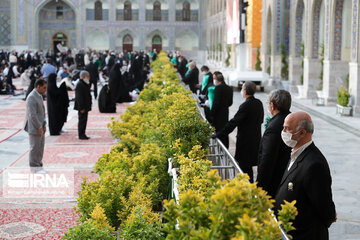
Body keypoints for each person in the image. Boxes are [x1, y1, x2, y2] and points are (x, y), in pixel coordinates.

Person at [274, 112, 336, 240]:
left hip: (304, 234)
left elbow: (324, 206)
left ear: (302, 133)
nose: (283, 131)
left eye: (287, 128)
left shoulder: (314, 164)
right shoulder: (295, 153)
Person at [214, 81, 264, 183]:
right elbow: (261, 120)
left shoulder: (245, 105)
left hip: (246, 141)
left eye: (242, 89)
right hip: (256, 138)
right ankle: (250, 187)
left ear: (245, 91)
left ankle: (247, 189)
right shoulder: (258, 103)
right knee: (249, 165)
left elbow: (234, 122)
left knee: (244, 167)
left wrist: (220, 134)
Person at [256, 89, 292, 198]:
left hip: (274, 181)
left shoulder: (274, 126)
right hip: (288, 176)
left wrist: (259, 187)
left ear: (272, 105)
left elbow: (267, 159)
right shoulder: (291, 119)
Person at [24, 79, 47, 173]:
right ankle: (34, 168)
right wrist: (38, 126)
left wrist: (44, 123)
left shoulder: (39, 96)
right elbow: (32, 115)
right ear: (38, 86)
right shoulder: (31, 97)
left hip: (40, 125)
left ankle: (39, 165)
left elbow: (42, 111)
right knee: (34, 147)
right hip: (34, 127)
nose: (45, 89)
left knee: (40, 147)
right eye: (44, 87)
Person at [210, 71, 233, 148]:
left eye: (214, 79)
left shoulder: (218, 88)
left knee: (219, 131)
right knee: (224, 130)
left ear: (217, 80)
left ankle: (221, 149)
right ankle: (226, 147)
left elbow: (216, 102)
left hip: (218, 114)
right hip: (225, 112)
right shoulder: (229, 88)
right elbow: (230, 102)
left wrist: (211, 113)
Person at [74, 71, 92, 140]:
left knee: (84, 120)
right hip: (82, 107)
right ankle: (81, 134)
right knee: (82, 120)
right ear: (84, 77)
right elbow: (79, 97)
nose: (89, 78)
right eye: (88, 76)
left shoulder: (85, 83)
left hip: (85, 106)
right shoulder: (80, 84)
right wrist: (81, 107)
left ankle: (83, 133)